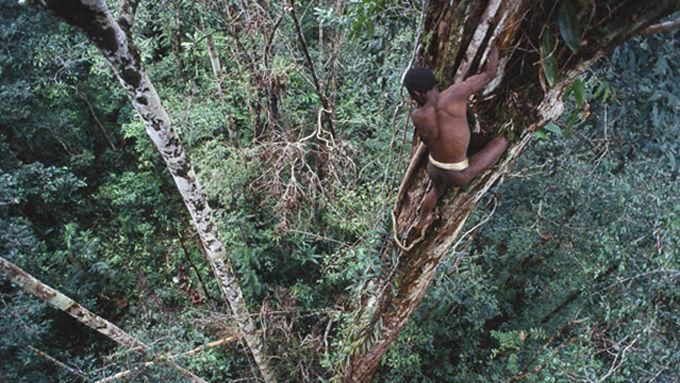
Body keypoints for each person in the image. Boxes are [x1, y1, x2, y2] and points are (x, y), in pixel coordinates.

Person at [403, 47, 508, 238]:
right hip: (458, 174)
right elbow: (490, 73)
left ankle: (422, 219)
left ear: (418, 93)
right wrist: (494, 47)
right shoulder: (456, 94)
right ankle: (476, 163)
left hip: (434, 167)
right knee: (501, 142)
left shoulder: (417, 116)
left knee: (436, 188)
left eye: (410, 94)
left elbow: (429, 140)